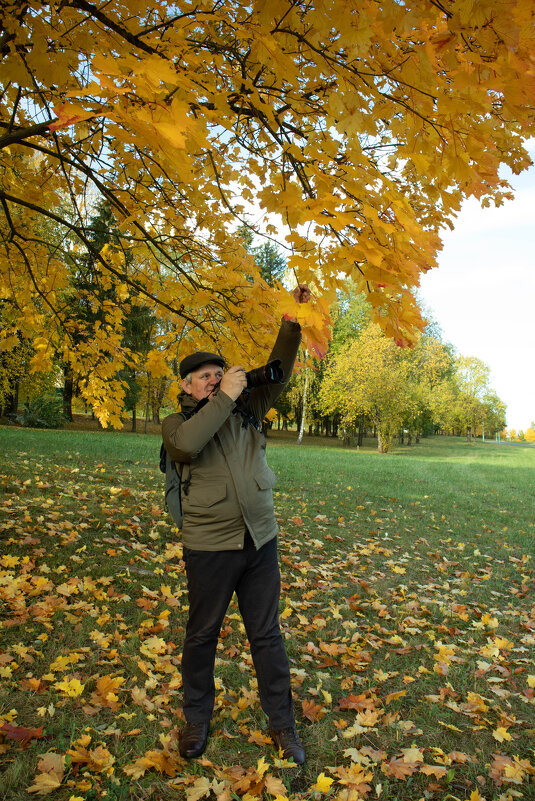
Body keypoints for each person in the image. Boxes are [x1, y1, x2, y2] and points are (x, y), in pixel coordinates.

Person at [161, 286, 310, 764]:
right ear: (186, 386)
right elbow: (187, 446)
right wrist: (223, 397)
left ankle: (283, 726)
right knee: (202, 634)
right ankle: (196, 719)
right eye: (203, 377)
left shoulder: (245, 409)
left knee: (267, 635)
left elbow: (279, 375)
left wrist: (292, 323)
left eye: (218, 375)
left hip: (259, 539)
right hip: (210, 545)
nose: (213, 381)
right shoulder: (175, 423)